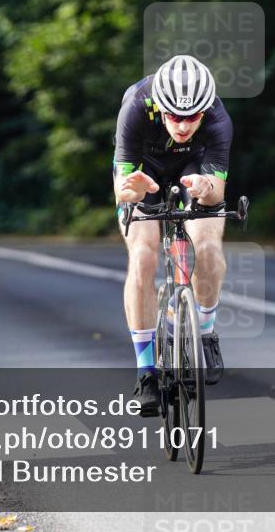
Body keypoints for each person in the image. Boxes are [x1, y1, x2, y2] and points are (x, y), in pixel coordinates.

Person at [112, 54, 232, 416]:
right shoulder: (135, 107)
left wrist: (203, 187)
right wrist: (134, 189)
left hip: (194, 172)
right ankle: (146, 371)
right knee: (143, 256)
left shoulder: (217, 117)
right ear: (159, 106)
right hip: (144, 174)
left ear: (205, 110)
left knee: (208, 248)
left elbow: (217, 192)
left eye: (192, 117)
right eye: (174, 116)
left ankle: (206, 333)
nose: (182, 125)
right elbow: (122, 188)